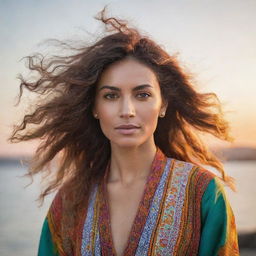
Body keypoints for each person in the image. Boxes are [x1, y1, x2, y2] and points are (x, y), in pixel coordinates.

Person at [10, 9, 239, 256]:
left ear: (162, 105)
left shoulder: (203, 192)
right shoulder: (69, 201)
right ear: (95, 108)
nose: (127, 110)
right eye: (111, 96)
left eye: (142, 95)